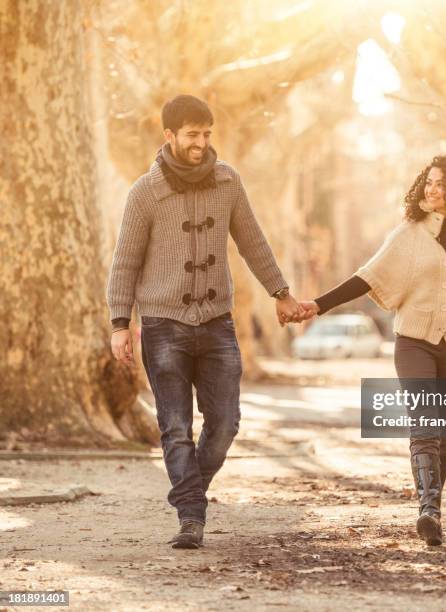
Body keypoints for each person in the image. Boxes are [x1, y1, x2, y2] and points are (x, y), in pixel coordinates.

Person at [298, 154, 446, 546]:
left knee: (445, 429)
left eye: (441, 183)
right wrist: (319, 305)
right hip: (414, 342)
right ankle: (429, 509)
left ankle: (432, 505)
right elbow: (368, 276)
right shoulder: (410, 231)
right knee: (424, 423)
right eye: (429, 181)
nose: (432, 189)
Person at [106, 95, 304, 549]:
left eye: (207, 134)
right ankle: (191, 516)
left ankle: (189, 488)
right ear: (170, 136)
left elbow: (253, 240)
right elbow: (125, 263)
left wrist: (281, 293)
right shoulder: (145, 192)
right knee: (174, 427)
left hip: (216, 323)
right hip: (162, 324)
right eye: (192, 135)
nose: (201, 143)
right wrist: (120, 323)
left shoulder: (228, 181)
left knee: (226, 422)